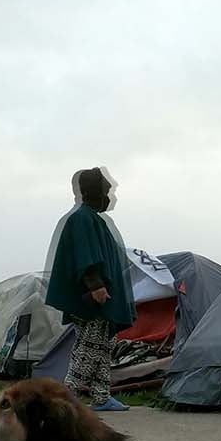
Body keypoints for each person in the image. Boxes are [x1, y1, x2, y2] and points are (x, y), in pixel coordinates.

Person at [44, 167, 137, 411]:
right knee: (90, 347)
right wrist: (96, 286)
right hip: (93, 297)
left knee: (101, 345)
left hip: (100, 296)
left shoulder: (93, 219)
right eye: (106, 190)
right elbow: (85, 256)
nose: (109, 195)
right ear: (95, 191)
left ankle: (101, 396)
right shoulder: (82, 218)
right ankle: (65, 398)